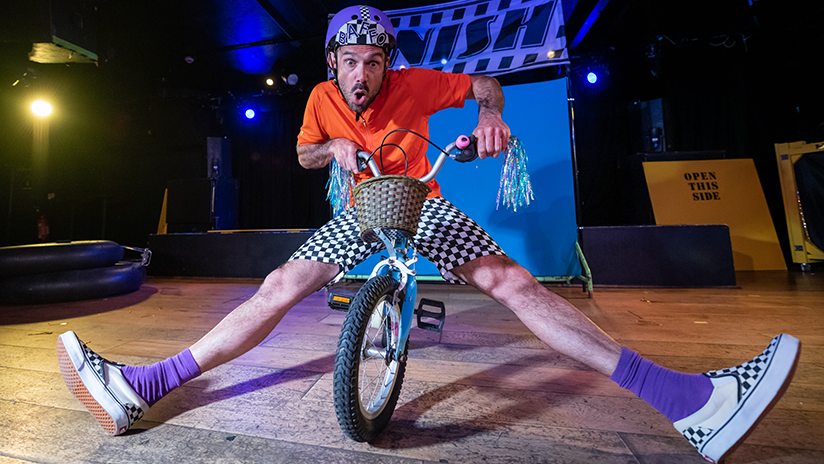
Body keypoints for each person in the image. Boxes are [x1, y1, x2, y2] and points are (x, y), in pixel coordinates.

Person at [56, 5, 799, 463]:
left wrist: (486, 114)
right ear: (332, 63)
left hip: (425, 199)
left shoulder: (415, 85)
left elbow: (482, 85)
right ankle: (141, 387)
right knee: (280, 284)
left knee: (510, 282)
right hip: (359, 207)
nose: (362, 74)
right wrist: (334, 150)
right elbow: (303, 152)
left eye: (374, 61)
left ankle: (687, 402)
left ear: (387, 62)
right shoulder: (318, 99)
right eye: (350, 61)